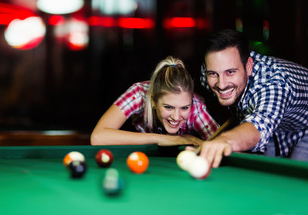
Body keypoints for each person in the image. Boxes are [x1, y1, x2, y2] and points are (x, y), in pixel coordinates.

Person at [196, 29, 308, 167]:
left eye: (230, 72)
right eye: (213, 74)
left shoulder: (274, 83)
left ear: (248, 66)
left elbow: (258, 126)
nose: (221, 84)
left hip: (304, 129)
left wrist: (225, 140)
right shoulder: (206, 75)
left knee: (295, 175)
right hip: (278, 127)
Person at [90, 56, 220, 146]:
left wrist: (192, 140)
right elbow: (98, 137)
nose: (176, 116)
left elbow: (222, 144)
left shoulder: (196, 107)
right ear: (153, 100)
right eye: (168, 107)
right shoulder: (139, 94)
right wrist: (161, 139)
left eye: (184, 108)